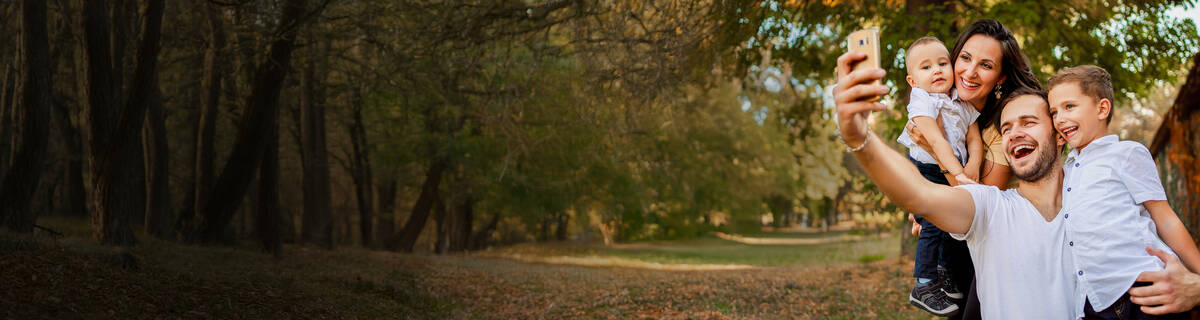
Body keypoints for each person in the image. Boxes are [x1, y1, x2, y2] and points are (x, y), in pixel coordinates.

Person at [836, 46, 1077, 318]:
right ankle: (928, 280)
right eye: (1006, 128)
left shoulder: (1091, 197)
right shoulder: (990, 207)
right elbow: (918, 195)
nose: (1014, 134)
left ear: (1060, 135)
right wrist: (859, 138)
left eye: (1028, 122)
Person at [900, 19, 1045, 320]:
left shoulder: (1004, 124)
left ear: (1001, 77)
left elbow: (979, 205)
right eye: (964, 58)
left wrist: (934, 151)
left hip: (984, 255)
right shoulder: (938, 102)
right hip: (952, 239)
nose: (969, 71)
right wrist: (924, 208)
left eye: (986, 65)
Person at [1046, 65, 1200, 319]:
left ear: (1102, 109)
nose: (1059, 118)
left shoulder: (1126, 153)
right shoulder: (1069, 167)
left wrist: (1197, 278)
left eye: (1069, 107)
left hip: (1144, 288)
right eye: (1054, 112)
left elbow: (1165, 218)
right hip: (1095, 299)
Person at [897, 36, 983, 317]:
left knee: (948, 223)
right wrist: (957, 173)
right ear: (912, 81)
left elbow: (974, 137)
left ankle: (944, 270)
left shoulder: (958, 99)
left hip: (950, 167)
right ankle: (923, 283)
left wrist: (972, 167)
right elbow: (935, 141)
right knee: (934, 225)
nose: (937, 70)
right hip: (926, 169)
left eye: (942, 63)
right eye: (926, 67)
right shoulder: (921, 101)